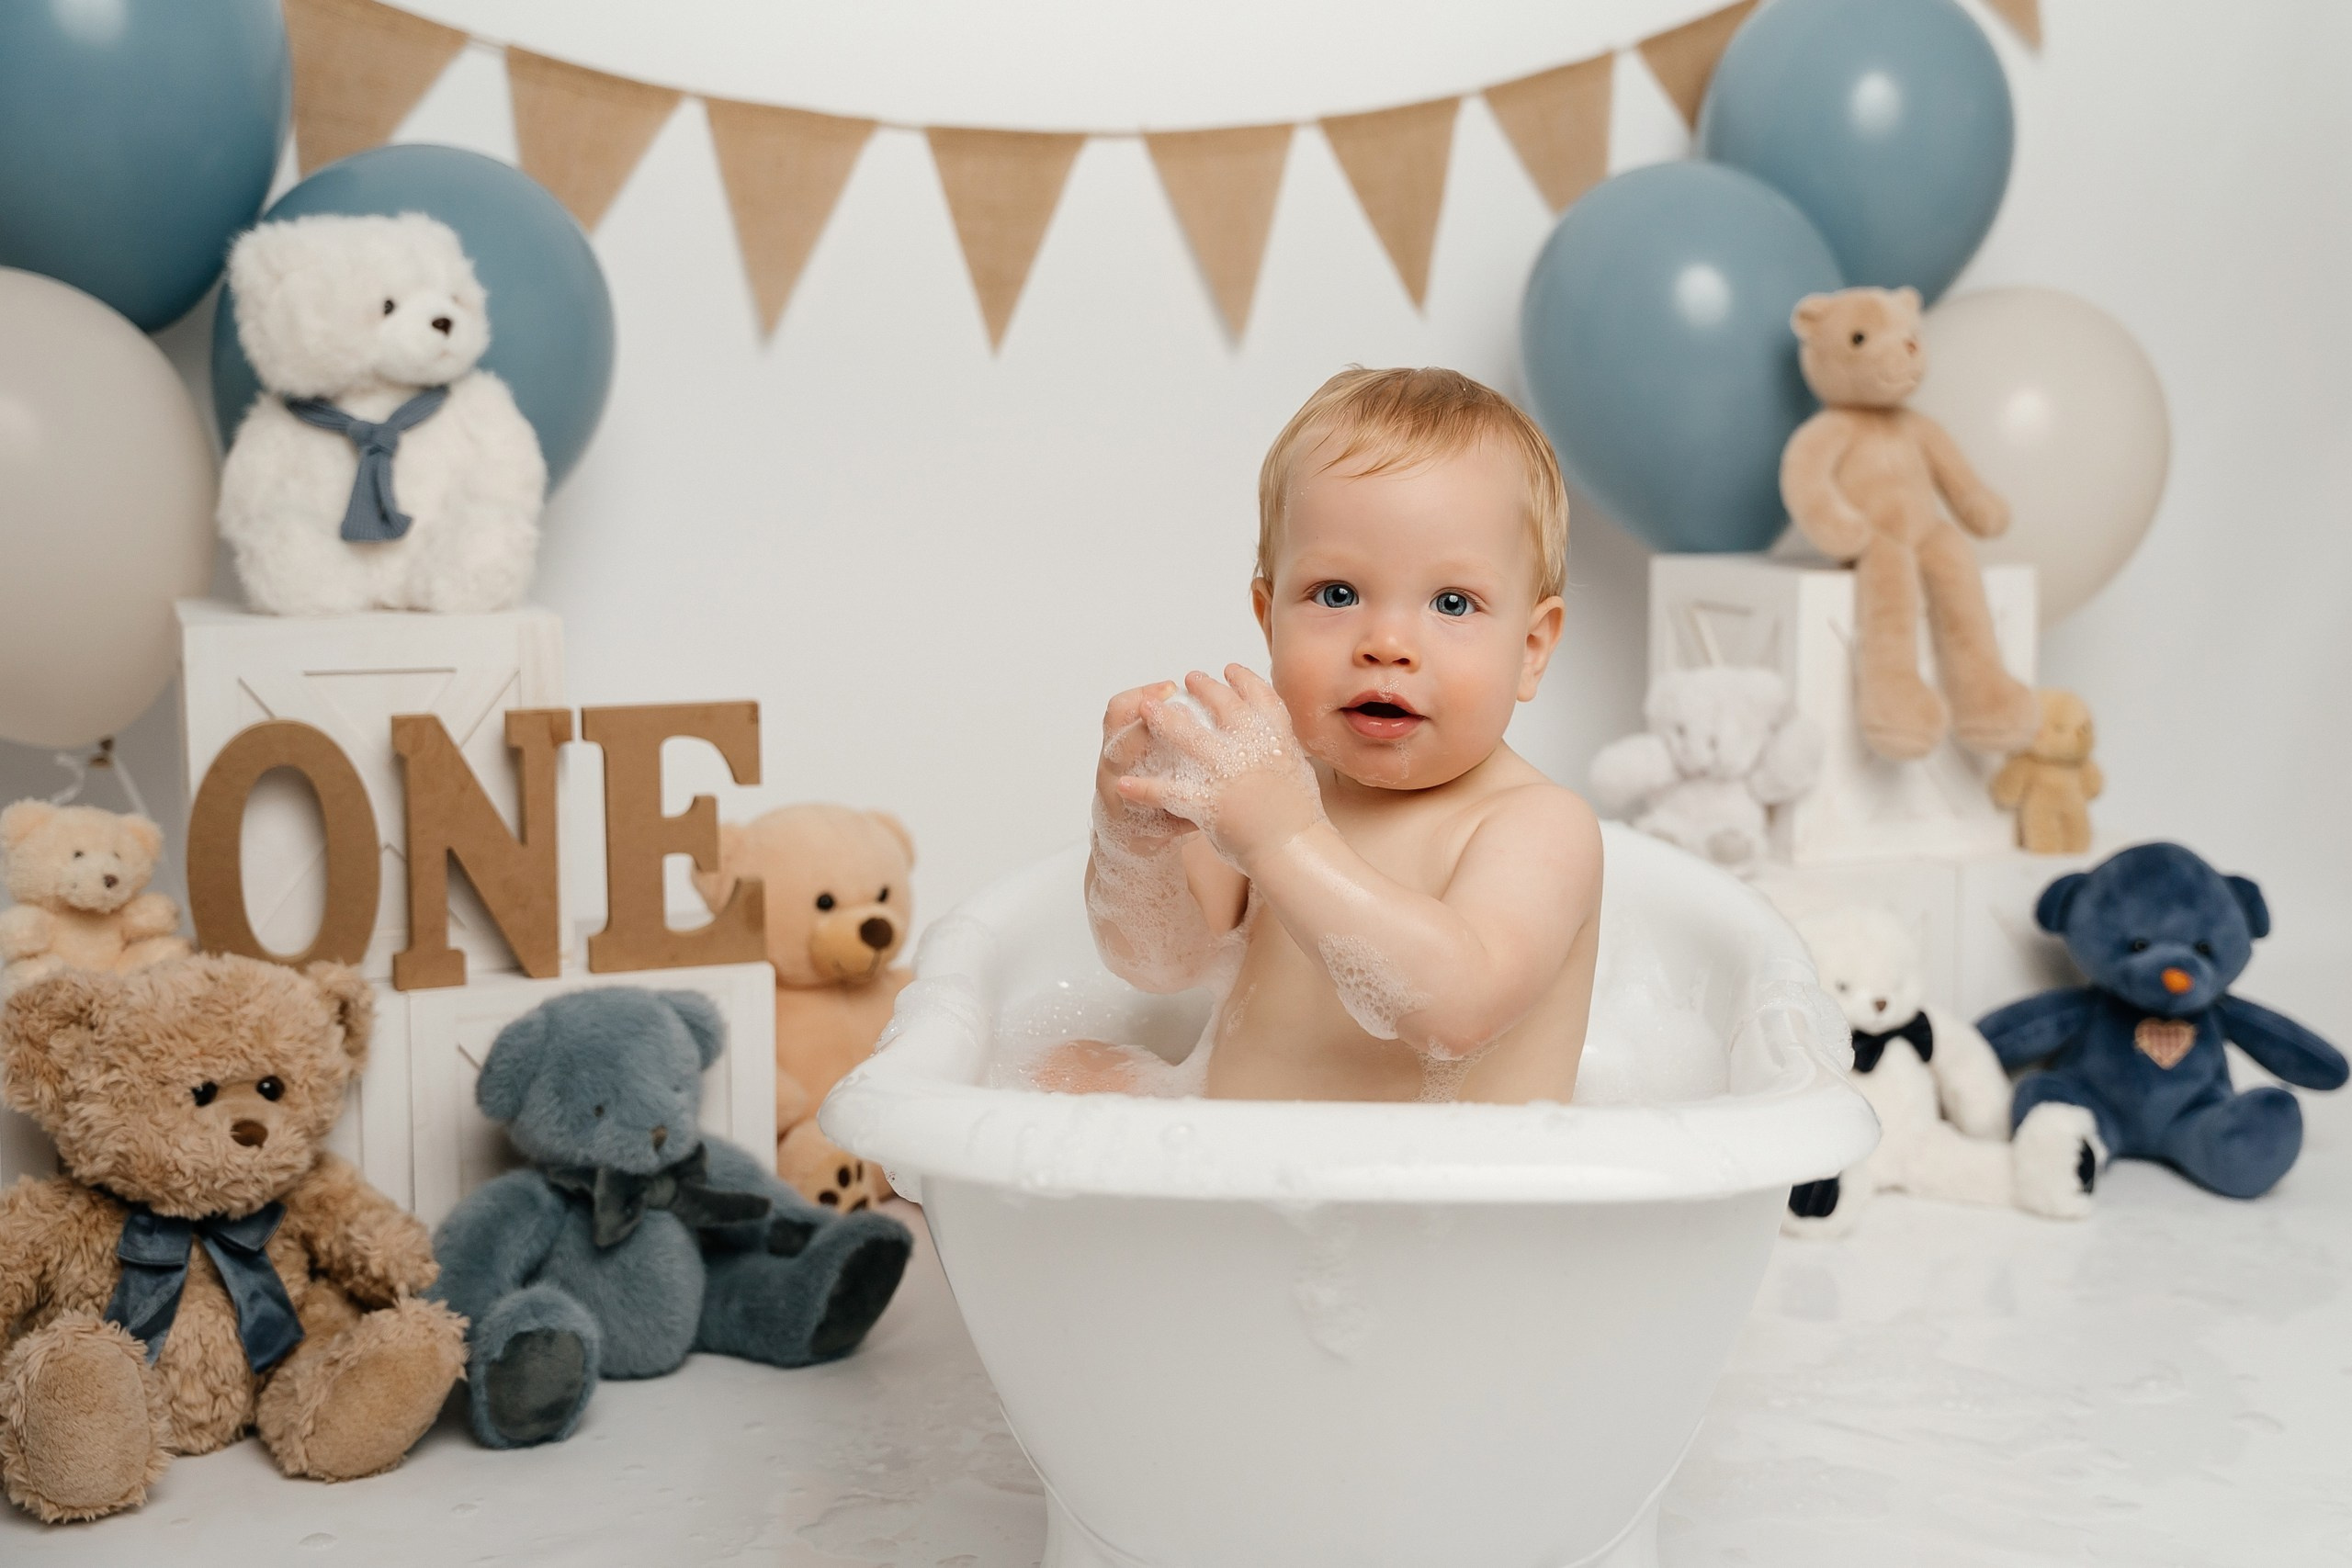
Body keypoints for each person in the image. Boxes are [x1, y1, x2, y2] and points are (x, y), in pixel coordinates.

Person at [1053, 367, 1601, 1104]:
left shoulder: (1540, 826)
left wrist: (1284, 839)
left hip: (1443, 1177)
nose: (1387, 644)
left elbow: (1457, 1009)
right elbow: (1158, 963)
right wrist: (1132, 841)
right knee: (1061, 1069)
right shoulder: (1267, 785)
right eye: (1337, 594)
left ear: (1531, 648)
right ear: (1268, 617)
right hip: (1230, 1158)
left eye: (1452, 602)